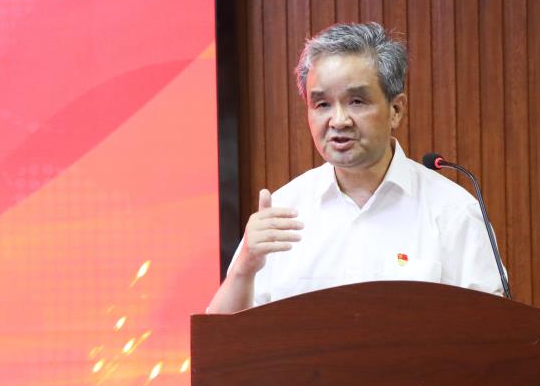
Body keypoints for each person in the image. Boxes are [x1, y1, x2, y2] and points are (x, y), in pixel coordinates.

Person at [207, 22, 503, 314]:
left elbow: (494, 329)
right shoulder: (284, 213)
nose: (338, 121)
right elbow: (220, 336)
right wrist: (245, 266)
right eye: (322, 105)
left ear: (396, 110)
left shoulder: (453, 212)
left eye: (357, 101)